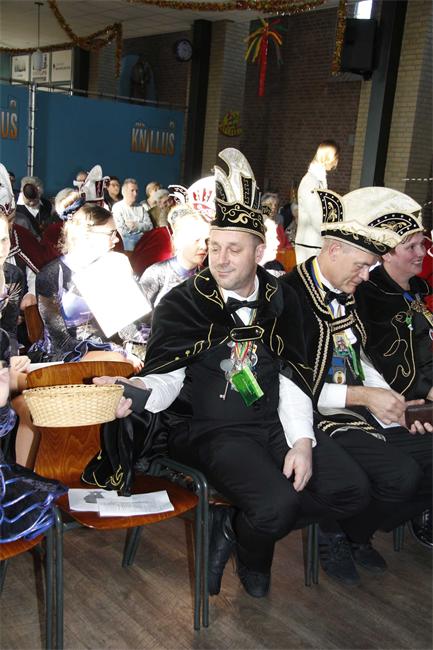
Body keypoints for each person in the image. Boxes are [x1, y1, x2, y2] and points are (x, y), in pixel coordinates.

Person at [95, 148, 377, 598]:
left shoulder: (283, 299)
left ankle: (237, 527)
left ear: (260, 251)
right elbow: (167, 377)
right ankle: (253, 551)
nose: (220, 259)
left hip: (271, 423)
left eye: (234, 249)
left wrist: (301, 442)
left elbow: (292, 378)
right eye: (215, 247)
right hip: (209, 431)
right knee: (276, 505)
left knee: (352, 489)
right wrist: (139, 387)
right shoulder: (184, 303)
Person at [283, 186, 432, 584]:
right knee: (400, 475)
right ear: (334, 250)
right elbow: (291, 385)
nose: (367, 276)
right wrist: (366, 396)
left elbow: (358, 357)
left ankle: (356, 533)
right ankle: (338, 531)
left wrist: (393, 401)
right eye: (363, 265)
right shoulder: (290, 297)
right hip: (314, 418)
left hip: (357, 409)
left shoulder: (344, 290)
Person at [356, 227, 432, 546]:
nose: (421, 253)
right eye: (410, 246)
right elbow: (385, 360)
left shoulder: (417, 289)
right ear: (386, 253)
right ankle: (354, 529)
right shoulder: (369, 295)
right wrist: (426, 391)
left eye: (422, 244)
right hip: (386, 405)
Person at [31, 203, 144, 370]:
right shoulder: (51, 275)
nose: (116, 239)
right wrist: (118, 352)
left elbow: (126, 325)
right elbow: (60, 340)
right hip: (65, 353)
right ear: (87, 235)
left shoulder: (111, 265)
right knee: (117, 361)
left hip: (106, 347)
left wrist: (135, 349)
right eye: (111, 233)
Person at [139, 204, 209, 323]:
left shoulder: (206, 277)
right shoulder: (156, 274)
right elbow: (133, 322)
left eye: (207, 240)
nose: (204, 246)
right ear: (177, 240)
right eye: (196, 240)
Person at [295, 140, 339, 264]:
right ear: (328, 157)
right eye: (336, 158)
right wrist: (330, 236)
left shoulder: (318, 180)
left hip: (314, 242)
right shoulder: (311, 181)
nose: (336, 162)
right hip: (309, 244)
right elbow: (316, 216)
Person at [112, 178, 153, 251]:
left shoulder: (140, 207)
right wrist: (141, 231)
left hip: (143, 243)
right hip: (128, 246)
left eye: (136, 191)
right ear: (124, 192)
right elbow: (122, 231)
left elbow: (150, 226)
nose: (135, 194)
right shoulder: (117, 208)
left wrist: (136, 226)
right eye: (132, 190)